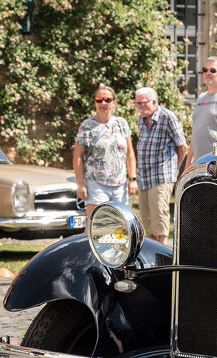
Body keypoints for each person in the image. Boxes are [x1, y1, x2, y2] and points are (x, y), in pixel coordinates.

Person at [73, 85, 137, 220]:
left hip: (120, 185)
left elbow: (129, 153)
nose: (103, 103)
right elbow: (77, 156)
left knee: (120, 225)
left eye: (107, 100)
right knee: (96, 225)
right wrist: (80, 184)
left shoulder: (121, 123)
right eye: (99, 100)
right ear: (95, 102)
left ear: (114, 102)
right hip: (96, 183)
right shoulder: (87, 126)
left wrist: (132, 179)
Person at [133, 87, 187, 245]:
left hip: (162, 175)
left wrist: (175, 169)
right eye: (137, 104)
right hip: (144, 176)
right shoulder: (142, 118)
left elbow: (182, 146)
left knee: (159, 220)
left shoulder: (167, 117)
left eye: (143, 103)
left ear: (154, 102)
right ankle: (151, 257)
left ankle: (161, 256)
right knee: (147, 220)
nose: (140, 107)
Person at [190, 56, 217, 161]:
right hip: (198, 162)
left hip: (215, 162)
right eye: (205, 70)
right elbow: (195, 133)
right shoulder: (201, 98)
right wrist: (188, 162)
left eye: (212, 70)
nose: (208, 73)